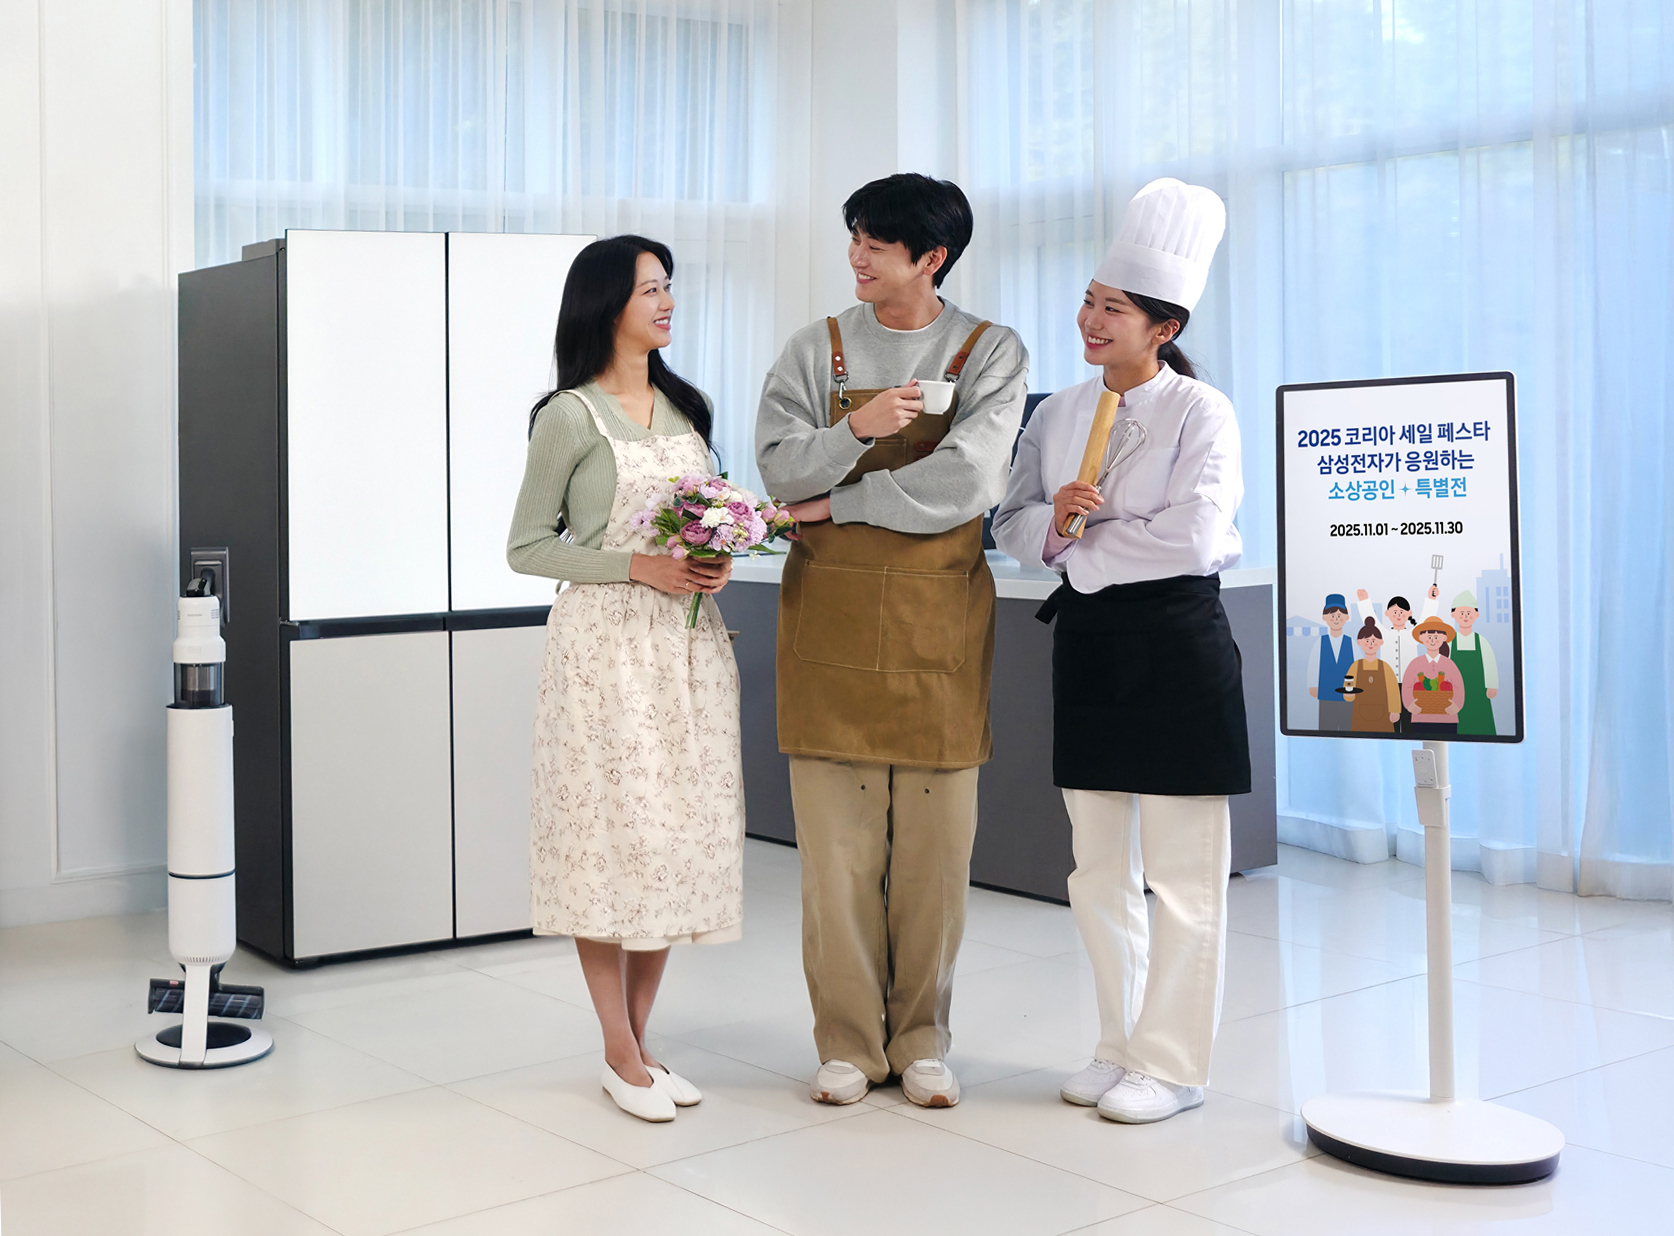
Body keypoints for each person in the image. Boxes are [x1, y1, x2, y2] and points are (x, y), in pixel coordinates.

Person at [755, 173, 1028, 1109]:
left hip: (936, 633)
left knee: (934, 864)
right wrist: (856, 430)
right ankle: (845, 1043)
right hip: (827, 630)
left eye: (876, 243)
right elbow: (778, 471)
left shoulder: (989, 351)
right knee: (834, 863)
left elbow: (969, 481)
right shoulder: (814, 349)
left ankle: (922, 1042)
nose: (856, 257)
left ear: (932, 257)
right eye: (855, 239)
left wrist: (836, 504)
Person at [993, 178, 1248, 1124]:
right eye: (1089, 302)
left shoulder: (1202, 412)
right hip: (1092, 644)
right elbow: (1011, 522)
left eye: (1113, 309)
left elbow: (1197, 537)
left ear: (1163, 327)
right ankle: (1118, 1045)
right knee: (1096, 866)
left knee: (1182, 873)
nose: (1090, 321)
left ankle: (1173, 1064)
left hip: (1177, 640)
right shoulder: (1056, 412)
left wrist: (1084, 547)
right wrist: (1059, 527)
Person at [507, 235, 744, 1124]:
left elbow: (701, 524)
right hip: (604, 653)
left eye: (669, 286)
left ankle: (640, 1046)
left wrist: (713, 561)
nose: (667, 302)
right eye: (651, 289)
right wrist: (637, 566)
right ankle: (616, 1048)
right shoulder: (569, 416)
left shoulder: (688, 408)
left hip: (687, 648)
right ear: (607, 304)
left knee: (672, 838)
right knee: (610, 839)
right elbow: (527, 547)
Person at [1353, 584, 1438, 732]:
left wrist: (1431, 599)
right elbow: (1371, 620)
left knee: (1409, 721)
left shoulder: (1413, 635)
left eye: (1401, 612)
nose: (1398, 615)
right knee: (1390, 721)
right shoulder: (1383, 635)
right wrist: (1364, 601)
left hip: (1410, 685)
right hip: (1387, 685)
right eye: (1395, 612)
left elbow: (1425, 621)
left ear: (1409, 613)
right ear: (1387, 614)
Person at [1401, 616, 1466, 737]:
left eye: (1436, 637)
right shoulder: (1415, 663)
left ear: (1444, 638)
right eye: (1429, 637)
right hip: (1420, 717)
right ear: (1421, 638)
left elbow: (1458, 686)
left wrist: (1456, 705)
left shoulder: (1449, 664)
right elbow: (1407, 686)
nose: (1432, 640)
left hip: (1447, 717)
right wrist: (1409, 704)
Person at [1449, 590, 1499, 736]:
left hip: (1478, 691)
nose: (1465, 617)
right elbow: (1446, 666)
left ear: (1476, 615)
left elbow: (1489, 663)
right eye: (1461, 613)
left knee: (1481, 723)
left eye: (1469, 613)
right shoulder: (1451, 642)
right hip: (1456, 691)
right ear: (1453, 615)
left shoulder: (1481, 641)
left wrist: (1492, 685)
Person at [1307, 594, 1355, 731]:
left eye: (1339, 615)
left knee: (1348, 728)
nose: (1336, 619)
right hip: (1326, 693)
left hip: (1347, 695)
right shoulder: (1320, 642)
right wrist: (1312, 684)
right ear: (1324, 617)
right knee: (1326, 728)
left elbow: (1357, 666)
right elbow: (1313, 664)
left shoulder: (1351, 642)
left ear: (1347, 617)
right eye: (1332, 616)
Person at [1347, 618, 1400, 734]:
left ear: (1381, 642)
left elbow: (1393, 690)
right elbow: (1348, 689)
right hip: (1360, 715)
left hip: (1383, 715)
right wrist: (1348, 695)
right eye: (1367, 641)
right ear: (1359, 642)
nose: (1370, 644)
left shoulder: (1385, 667)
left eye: (1373, 641)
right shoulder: (1355, 666)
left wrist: (1395, 710)